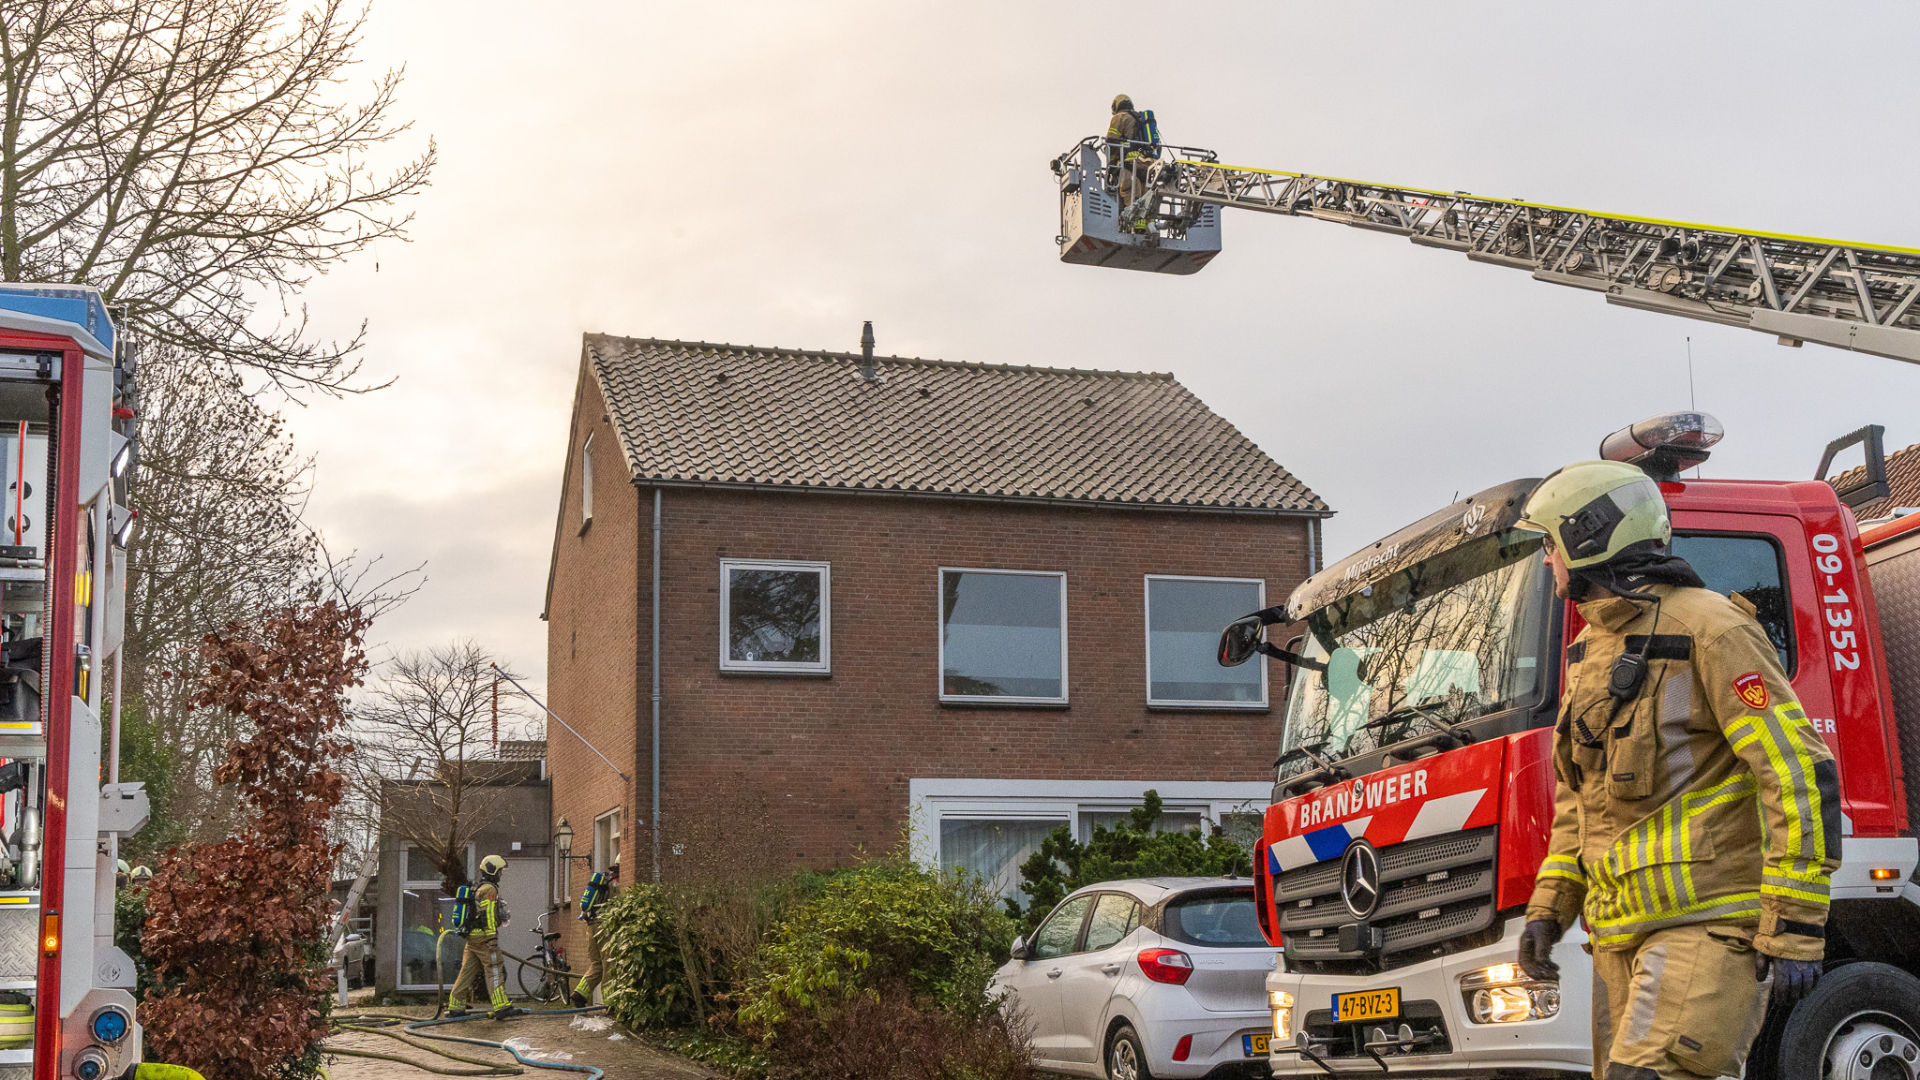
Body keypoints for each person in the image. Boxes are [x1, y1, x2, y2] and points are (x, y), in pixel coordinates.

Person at [1513, 460, 1839, 1080]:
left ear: (1588, 538)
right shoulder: (1589, 650)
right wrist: (1549, 909)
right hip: (1618, 936)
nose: (1548, 559)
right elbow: (1580, 800)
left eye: (1550, 543)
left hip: (1709, 925)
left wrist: (1796, 923)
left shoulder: (1713, 628)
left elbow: (1796, 769)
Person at [448, 855, 513, 1019]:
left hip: (472, 938)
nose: (500, 875)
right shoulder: (489, 890)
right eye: (499, 871)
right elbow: (487, 915)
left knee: (466, 972)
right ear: (492, 870)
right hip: (483, 938)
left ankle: (456, 1006)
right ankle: (501, 1006)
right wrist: (492, 938)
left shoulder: (479, 888)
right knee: (495, 969)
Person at [569, 863, 619, 1008]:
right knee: (608, 964)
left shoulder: (602, 882)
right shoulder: (615, 884)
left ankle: (580, 993)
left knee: (597, 964)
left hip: (591, 925)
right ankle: (610, 1003)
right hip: (603, 927)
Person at [1105, 94, 1152, 211]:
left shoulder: (1120, 117)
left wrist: (1111, 166)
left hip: (1128, 162)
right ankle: (1145, 221)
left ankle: (1134, 219)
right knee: (1146, 200)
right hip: (1146, 165)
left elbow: (1111, 142)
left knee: (1130, 193)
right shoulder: (1140, 120)